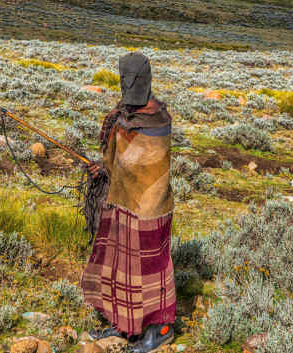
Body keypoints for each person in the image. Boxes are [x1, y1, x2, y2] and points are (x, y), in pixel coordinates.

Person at [81, 52, 176, 353]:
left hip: (150, 207)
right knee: (120, 267)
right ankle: (124, 324)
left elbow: (138, 162)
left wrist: (110, 168)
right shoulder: (125, 116)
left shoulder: (156, 121)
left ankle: (160, 328)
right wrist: (104, 167)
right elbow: (120, 160)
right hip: (122, 201)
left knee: (151, 269)